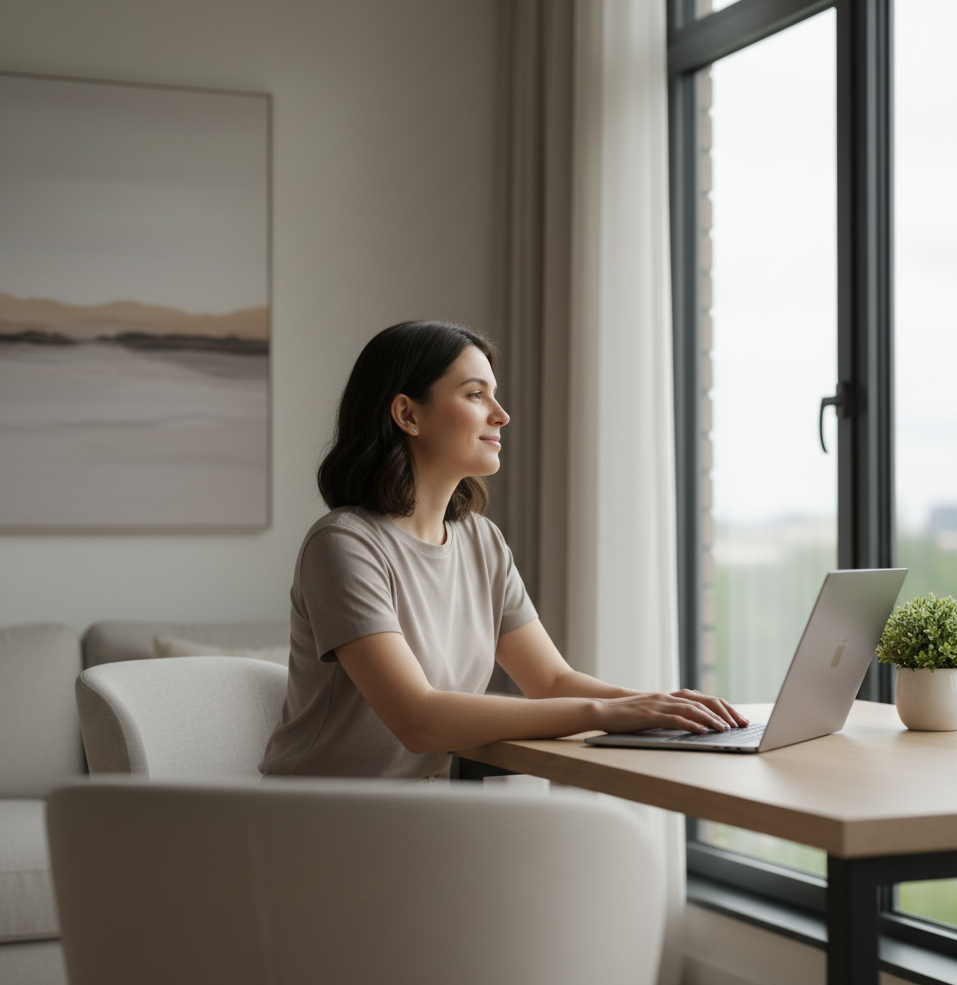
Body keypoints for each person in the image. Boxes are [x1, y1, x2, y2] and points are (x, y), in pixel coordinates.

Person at [259, 320, 747, 780]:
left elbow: (552, 681)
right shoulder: (343, 545)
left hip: (422, 816)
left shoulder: (482, 542)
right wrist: (607, 714)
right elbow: (418, 718)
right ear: (408, 414)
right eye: (475, 394)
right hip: (318, 820)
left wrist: (660, 706)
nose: (502, 415)